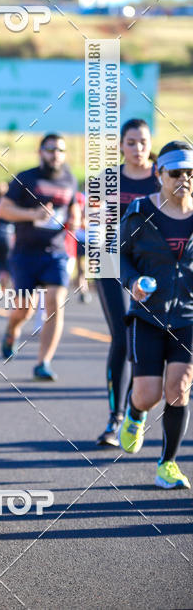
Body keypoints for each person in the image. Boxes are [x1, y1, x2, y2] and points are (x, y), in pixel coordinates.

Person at [119, 140, 193, 489]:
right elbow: (116, 257)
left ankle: (168, 464)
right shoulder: (138, 212)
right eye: (176, 172)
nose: (185, 178)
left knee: (178, 389)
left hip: (188, 319)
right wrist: (132, 281)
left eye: (191, 172)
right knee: (148, 394)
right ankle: (134, 413)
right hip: (148, 316)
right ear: (159, 173)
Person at [95, 119, 159, 447]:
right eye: (131, 142)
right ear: (121, 145)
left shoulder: (163, 177)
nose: (137, 148)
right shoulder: (107, 180)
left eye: (143, 142)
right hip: (111, 262)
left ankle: (139, 409)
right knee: (121, 337)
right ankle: (114, 418)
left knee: (146, 337)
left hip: (151, 266)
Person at [0, 133, 79, 381]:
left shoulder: (70, 179)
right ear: (40, 151)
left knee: (56, 301)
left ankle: (43, 362)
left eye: (60, 150)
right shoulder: (26, 178)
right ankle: (12, 328)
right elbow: (3, 209)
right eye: (51, 149)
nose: (56, 154)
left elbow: (73, 207)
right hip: (25, 254)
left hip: (55, 253)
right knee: (25, 311)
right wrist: (33, 214)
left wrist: (75, 218)